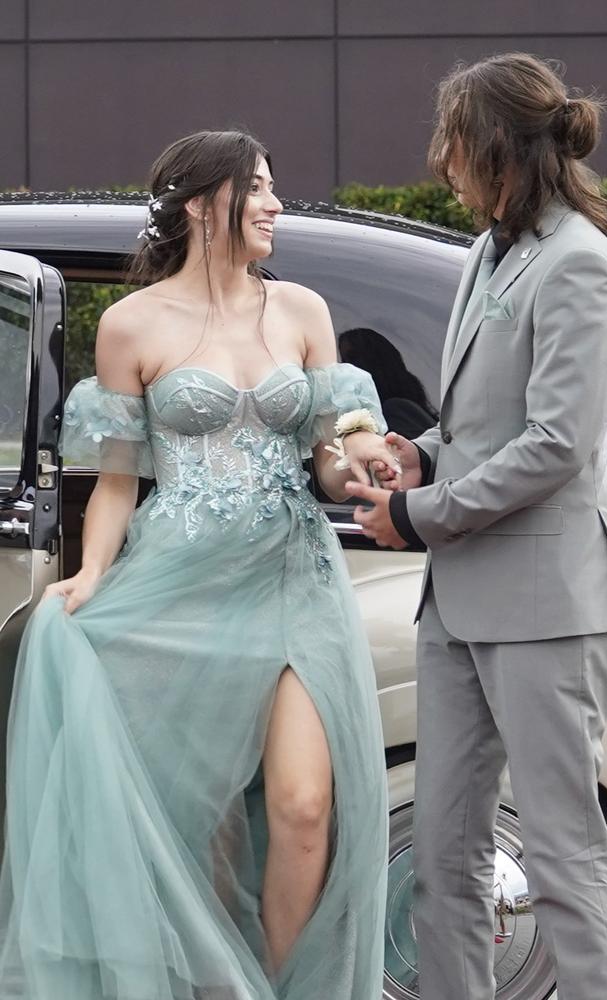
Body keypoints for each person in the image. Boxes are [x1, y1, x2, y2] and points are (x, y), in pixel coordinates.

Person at [0, 129, 394, 1000]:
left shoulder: (301, 311)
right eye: (257, 188)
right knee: (191, 819)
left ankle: (279, 987)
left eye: (273, 186)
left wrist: (356, 461)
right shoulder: (132, 325)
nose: (275, 203)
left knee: (302, 811)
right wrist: (93, 573)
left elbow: (326, 453)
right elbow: (115, 482)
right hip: (180, 582)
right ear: (200, 206)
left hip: (296, 573)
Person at [347, 54, 607, 1000]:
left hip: (549, 606)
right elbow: (485, 419)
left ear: (502, 151)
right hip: (460, 605)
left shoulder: (580, 261)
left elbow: (558, 443)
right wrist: (421, 452)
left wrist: (417, 514)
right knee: (443, 851)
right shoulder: (488, 249)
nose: (442, 162)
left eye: (454, 143)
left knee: (561, 854)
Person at [338, 327, 438, 438]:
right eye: (343, 361)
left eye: (353, 358)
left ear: (376, 360)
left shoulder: (395, 412)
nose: (345, 368)